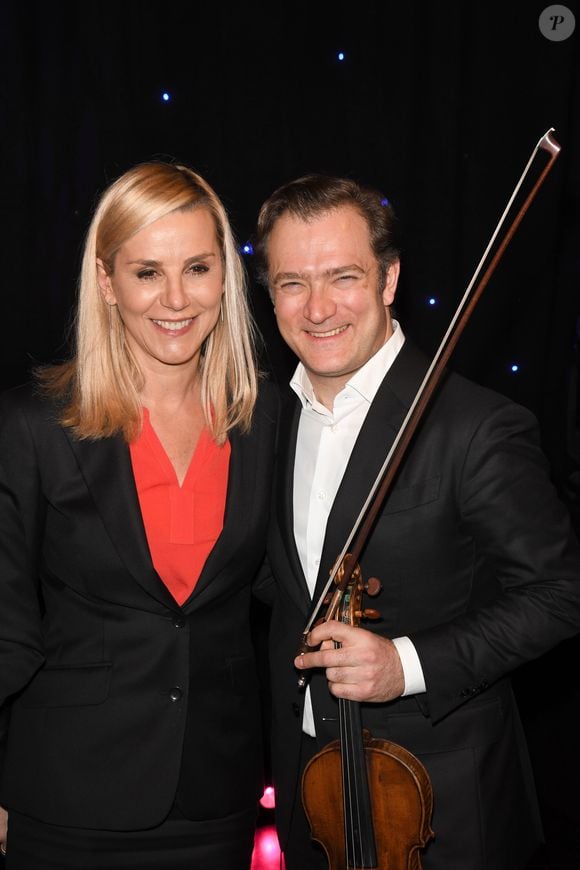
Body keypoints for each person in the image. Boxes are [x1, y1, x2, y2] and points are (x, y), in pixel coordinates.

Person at [253, 173, 580, 869]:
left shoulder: (475, 425)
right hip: (309, 792)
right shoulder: (267, 420)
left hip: (440, 806)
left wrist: (405, 664)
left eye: (343, 276)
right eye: (291, 283)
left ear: (389, 278)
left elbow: (560, 595)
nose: (317, 309)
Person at [0, 161, 278, 869]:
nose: (177, 298)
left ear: (226, 276)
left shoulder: (268, 418)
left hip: (216, 796)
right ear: (106, 281)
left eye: (198, 267)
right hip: (65, 798)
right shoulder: (34, 426)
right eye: (147, 272)